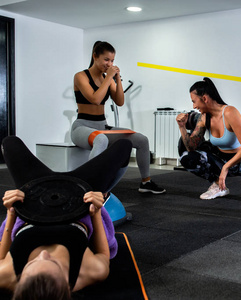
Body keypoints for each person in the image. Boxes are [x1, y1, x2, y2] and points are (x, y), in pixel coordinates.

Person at [0, 136, 133, 298]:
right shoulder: (90, 272)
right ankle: (106, 191)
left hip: (35, 192)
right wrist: (96, 210)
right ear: (67, 285)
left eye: (32, 263)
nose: (43, 254)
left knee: (9, 143)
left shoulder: (5, 275)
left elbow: (2, 256)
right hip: (79, 195)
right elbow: (103, 254)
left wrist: (11, 212)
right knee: (125, 146)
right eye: (53, 261)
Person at [71, 41, 165, 194]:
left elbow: (120, 101)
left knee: (141, 139)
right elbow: (95, 99)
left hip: (102, 126)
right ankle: (89, 186)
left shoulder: (106, 78)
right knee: (101, 139)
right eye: (106, 59)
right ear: (95, 56)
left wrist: (117, 78)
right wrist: (108, 78)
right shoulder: (81, 76)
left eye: (112, 60)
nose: (109, 64)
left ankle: (146, 183)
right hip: (82, 127)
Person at [177, 77, 241, 202]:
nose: (194, 106)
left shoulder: (230, 112)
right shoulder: (204, 117)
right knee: (187, 157)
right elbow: (191, 148)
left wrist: (225, 168)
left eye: (194, 101)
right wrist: (182, 127)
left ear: (205, 99)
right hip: (221, 159)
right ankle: (219, 186)